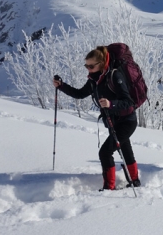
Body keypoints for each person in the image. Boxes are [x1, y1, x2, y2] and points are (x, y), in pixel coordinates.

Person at [53, 45, 140, 191]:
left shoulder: (115, 76)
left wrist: (110, 104)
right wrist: (62, 86)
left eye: (91, 66)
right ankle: (135, 181)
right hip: (115, 121)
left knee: (105, 152)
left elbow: (128, 101)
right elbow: (80, 94)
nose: (88, 69)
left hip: (127, 121)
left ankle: (109, 188)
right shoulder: (94, 79)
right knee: (125, 149)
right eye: (86, 66)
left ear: (101, 63)